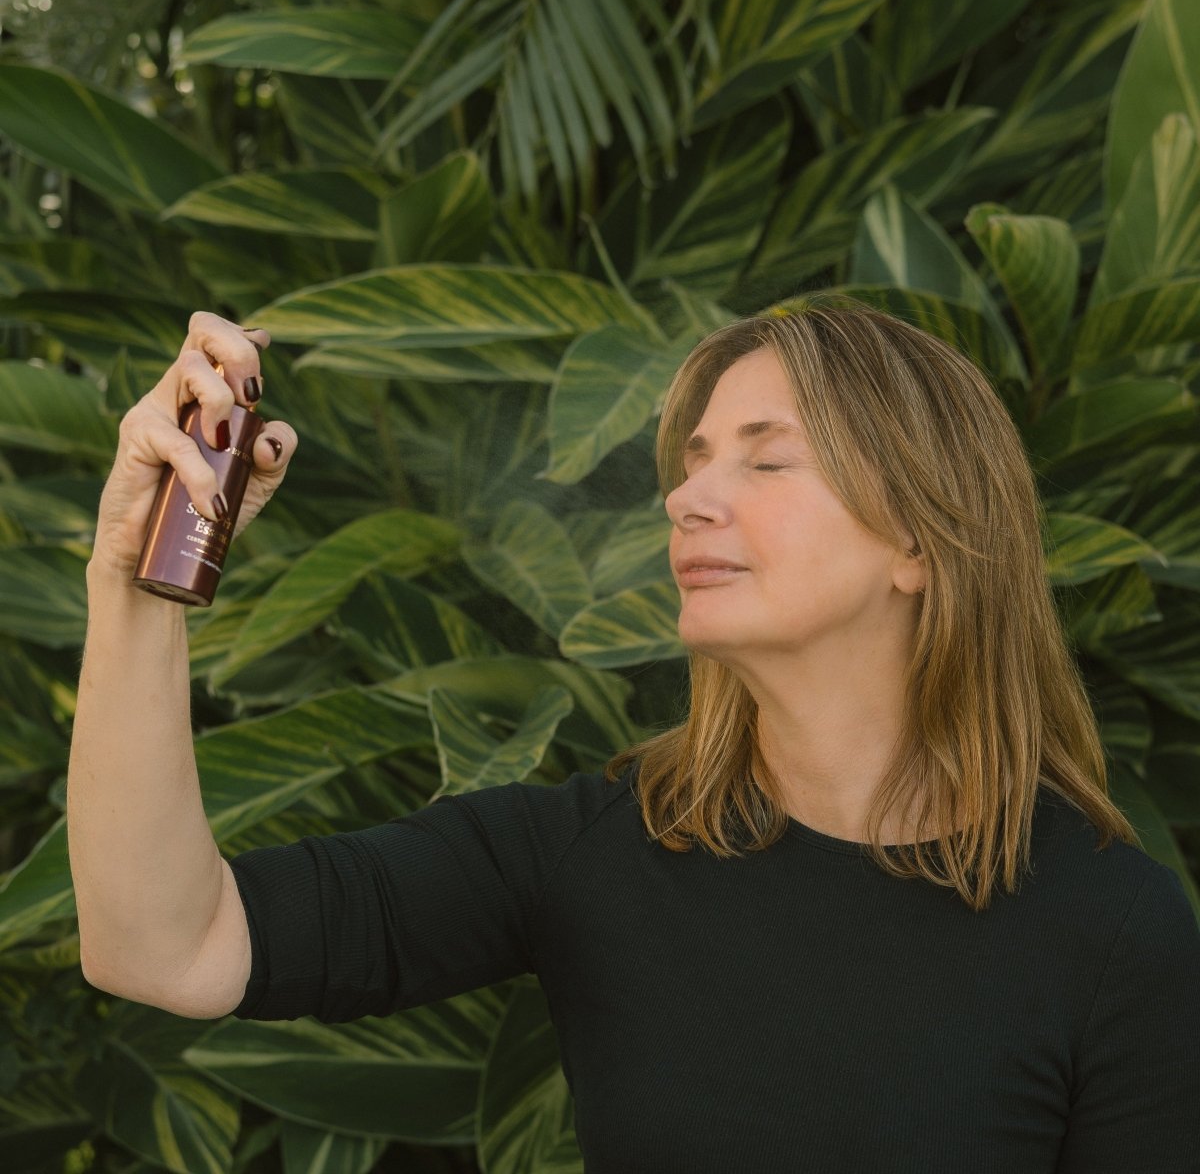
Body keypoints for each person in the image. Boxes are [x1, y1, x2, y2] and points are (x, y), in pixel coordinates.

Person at [68, 302, 1200, 1173]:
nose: (690, 497)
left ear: (920, 539)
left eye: (765, 457)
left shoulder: (1110, 932)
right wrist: (130, 585)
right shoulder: (598, 847)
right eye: (696, 460)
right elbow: (163, 944)